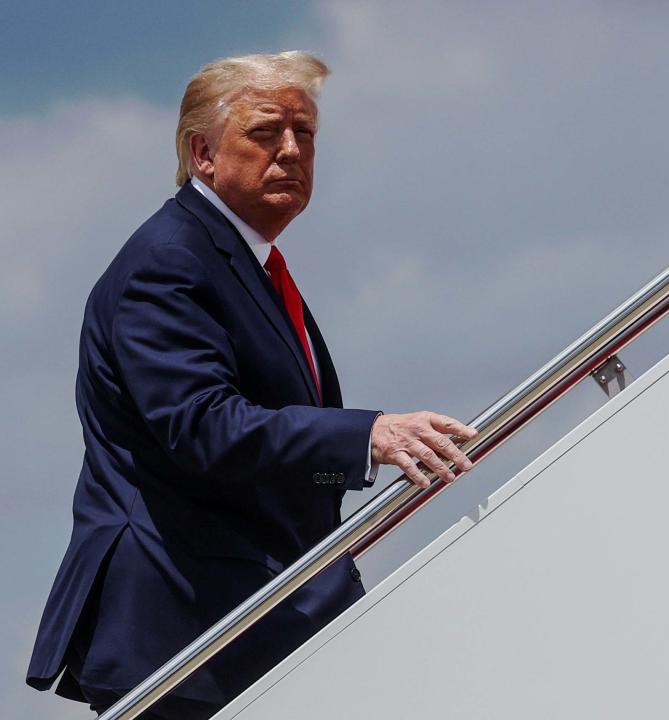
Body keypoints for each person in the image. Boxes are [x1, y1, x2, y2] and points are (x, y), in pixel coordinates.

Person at [25, 51, 477, 719]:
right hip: (187, 635)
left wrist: (349, 473)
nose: (292, 151)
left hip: (262, 617)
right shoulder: (168, 262)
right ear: (202, 152)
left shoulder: (240, 260)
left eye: (306, 134)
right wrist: (369, 435)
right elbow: (203, 429)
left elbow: (264, 463)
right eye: (266, 133)